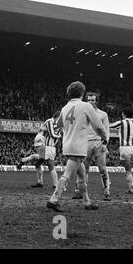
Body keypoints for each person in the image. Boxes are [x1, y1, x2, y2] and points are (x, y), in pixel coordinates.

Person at [47, 81, 108, 212]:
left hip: (67, 145)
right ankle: (54, 199)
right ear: (82, 93)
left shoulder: (65, 107)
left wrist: (70, 128)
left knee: (81, 174)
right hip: (78, 147)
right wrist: (104, 136)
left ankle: (87, 201)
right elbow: (98, 126)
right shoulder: (85, 106)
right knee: (67, 175)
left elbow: (57, 124)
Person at [72, 92, 111, 201]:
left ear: (96, 101)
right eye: (89, 100)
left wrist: (105, 143)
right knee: (83, 169)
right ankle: (80, 191)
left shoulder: (103, 114)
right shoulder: (83, 113)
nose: (90, 102)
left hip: (98, 143)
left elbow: (106, 130)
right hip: (86, 143)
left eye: (92, 100)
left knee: (103, 169)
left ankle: (106, 191)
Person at [109, 108, 133, 194]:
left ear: (124, 114)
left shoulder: (122, 122)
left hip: (125, 148)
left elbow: (109, 126)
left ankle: (132, 189)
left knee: (128, 170)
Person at [39, 111, 62, 188]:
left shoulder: (59, 124)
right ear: (57, 117)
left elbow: (53, 134)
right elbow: (52, 134)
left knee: (49, 164)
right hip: (46, 146)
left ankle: (55, 184)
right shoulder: (49, 121)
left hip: (50, 147)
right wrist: (59, 136)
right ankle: (41, 182)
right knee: (41, 163)